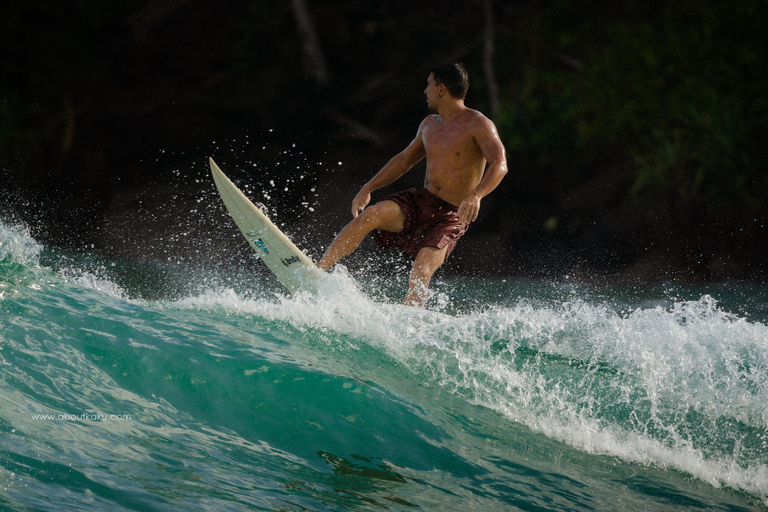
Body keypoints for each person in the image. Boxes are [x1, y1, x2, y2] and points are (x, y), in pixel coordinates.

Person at [317, 63, 508, 306]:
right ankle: (318, 271)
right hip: (422, 201)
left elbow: (500, 164)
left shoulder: (479, 124)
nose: (425, 91)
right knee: (370, 215)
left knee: (422, 268)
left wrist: (476, 195)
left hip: (451, 215)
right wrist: (368, 188)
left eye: (429, 85)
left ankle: (409, 321)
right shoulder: (429, 124)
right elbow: (404, 160)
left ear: (441, 89)